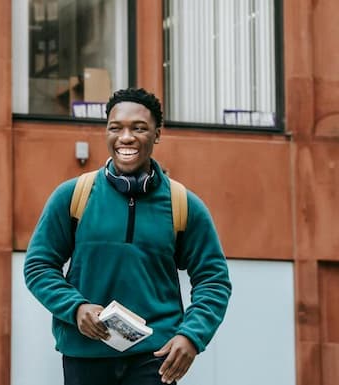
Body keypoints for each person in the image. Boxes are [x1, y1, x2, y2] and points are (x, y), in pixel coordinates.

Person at [24, 88, 232, 385]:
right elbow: (38, 266)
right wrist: (75, 307)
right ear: (106, 132)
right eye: (116, 128)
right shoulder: (73, 196)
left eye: (139, 128)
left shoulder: (184, 205)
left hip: (155, 359)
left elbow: (213, 279)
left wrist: (191, 336)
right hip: (85, 356)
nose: (126, 137)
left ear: (157, 134)